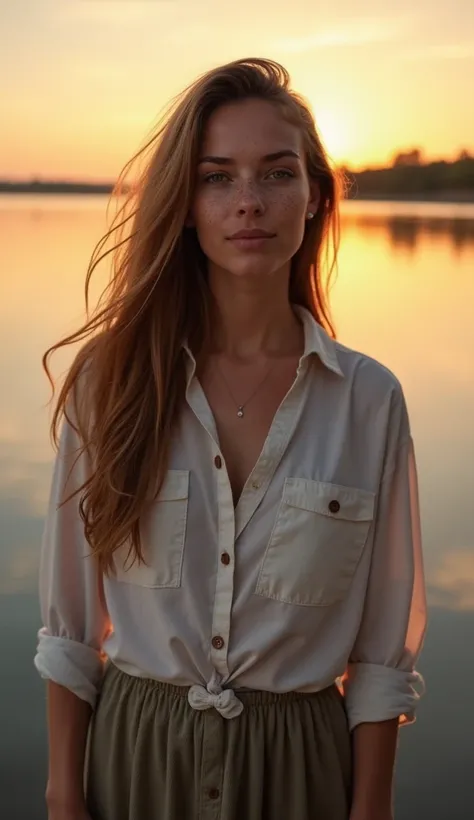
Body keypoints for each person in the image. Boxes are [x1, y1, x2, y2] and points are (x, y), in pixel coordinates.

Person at [34, 57, 427, 820]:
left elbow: (382, 655)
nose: (249, 202)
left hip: (304, 768)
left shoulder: (369, 400)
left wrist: (370, 808)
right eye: (218, 177)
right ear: (184, 203)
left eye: (277, 174)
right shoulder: (109, 381)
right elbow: (72, 627)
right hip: (135, 757)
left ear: (315, 194)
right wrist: (62, 796)